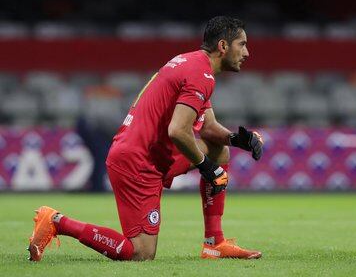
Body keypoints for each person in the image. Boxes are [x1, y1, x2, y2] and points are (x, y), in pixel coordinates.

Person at [28, 16, 264, 262]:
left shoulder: (192, 64)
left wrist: (237, 140)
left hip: (152, 154)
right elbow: (178, 131)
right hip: (137, 162)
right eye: (242, 44)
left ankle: (215, 244)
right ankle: (57, 221)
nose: (247, 52)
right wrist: (207, 168)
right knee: (140, 253)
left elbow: (209, 127)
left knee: (220, 151)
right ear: (223, 46)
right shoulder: (199, 74)